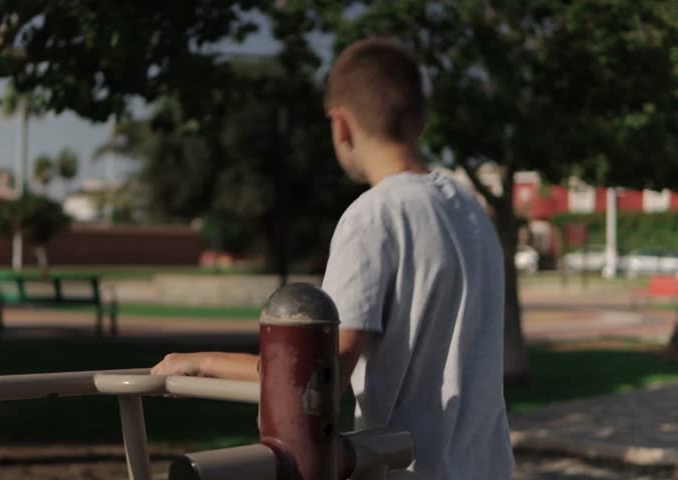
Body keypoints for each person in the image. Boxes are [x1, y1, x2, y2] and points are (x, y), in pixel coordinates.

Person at [151, 37, 514, 479]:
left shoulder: (374, 216)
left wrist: (201, 363)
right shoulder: (470, 207)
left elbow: (319, 376)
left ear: (341, 125)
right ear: (421, 120)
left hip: (414, 469)